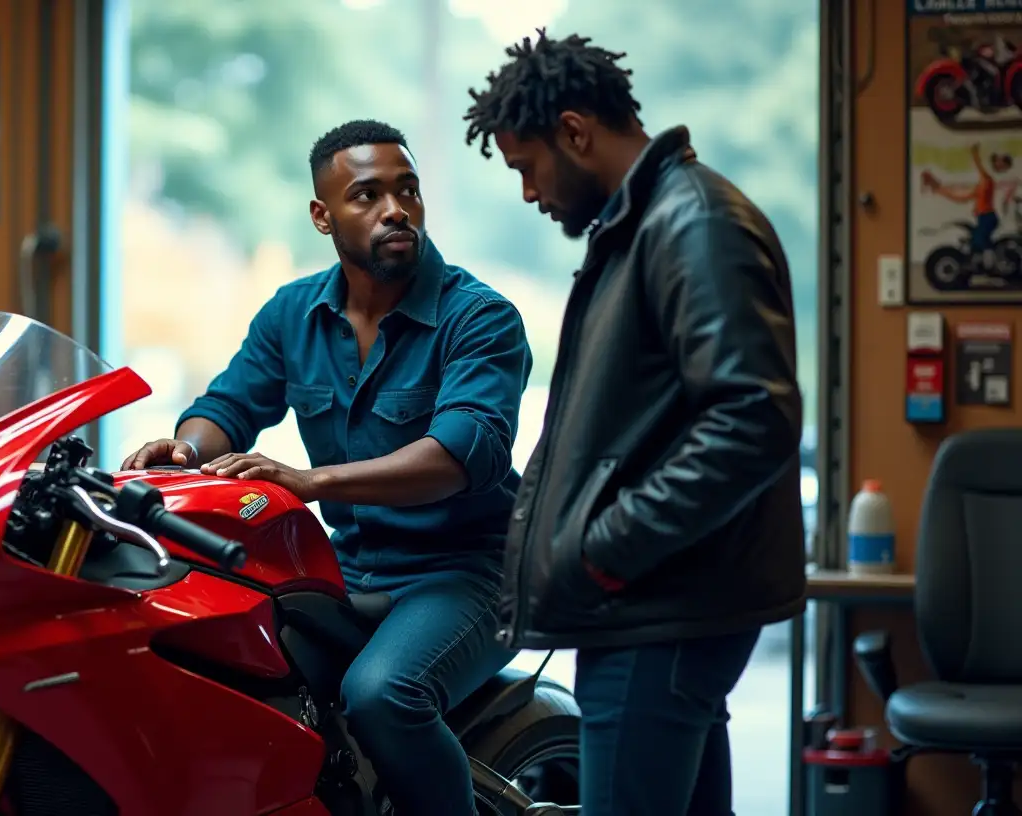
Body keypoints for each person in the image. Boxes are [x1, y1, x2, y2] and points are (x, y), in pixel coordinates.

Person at [122, 119, 532, 816]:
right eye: (367, 195)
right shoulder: (294, 312)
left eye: (407, 191)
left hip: (468, 572)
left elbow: (459, 457)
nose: (395, 209)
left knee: (382, 696)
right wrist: (186, 449)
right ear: (323, 215)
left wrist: (310, 483)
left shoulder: (480, 318)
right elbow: (228, 404)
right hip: (349, 566)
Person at [463, 30, 806, 815]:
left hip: (657, 608)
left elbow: (753, 416)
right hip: (657, 605)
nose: (527, 192)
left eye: (527, 166)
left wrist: (607, 549)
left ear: (575, 132)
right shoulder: (647, 224)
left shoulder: (692, 224)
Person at [921, 143, 1016, 269]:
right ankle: (981, 262)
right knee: (975, 240)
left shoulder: (988, 181)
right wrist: (940, 191)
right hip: (983, 217)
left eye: (1002, 164)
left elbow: (980, 170)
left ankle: (991, 262)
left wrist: (974, 154)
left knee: (980, 239)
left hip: (988, 217)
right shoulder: (981, 187)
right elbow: (962, 199)